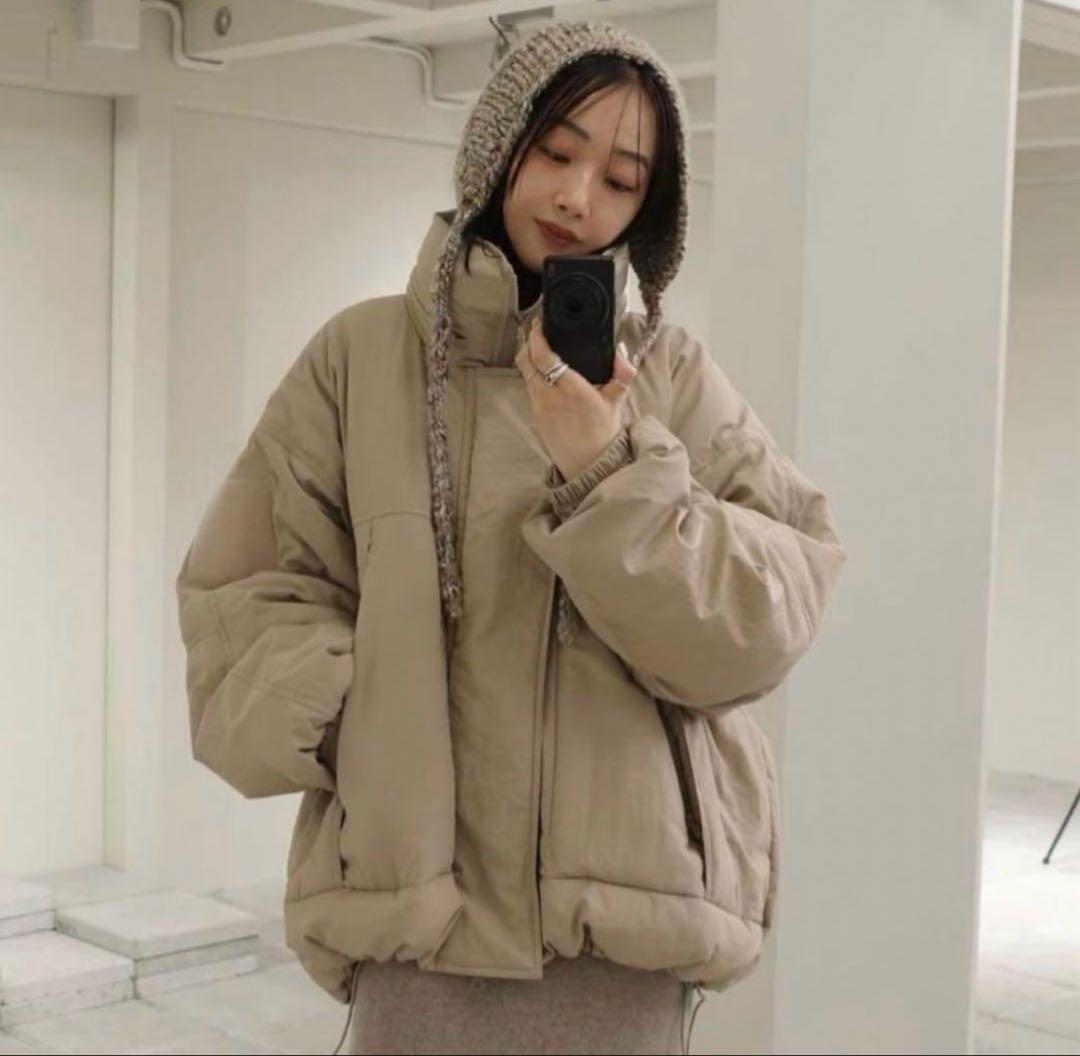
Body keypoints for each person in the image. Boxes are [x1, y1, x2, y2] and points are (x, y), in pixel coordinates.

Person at [174, 19, 847, 1056]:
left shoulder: (670, 379)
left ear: (649, 209)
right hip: (416, 912)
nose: (579, 198)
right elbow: (244, 590)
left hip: (619, 923)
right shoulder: (360, 359)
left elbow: (768, 612)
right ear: (499, 148)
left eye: (620, 180)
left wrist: (609, 471)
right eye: (557, 152)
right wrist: (365, 717)